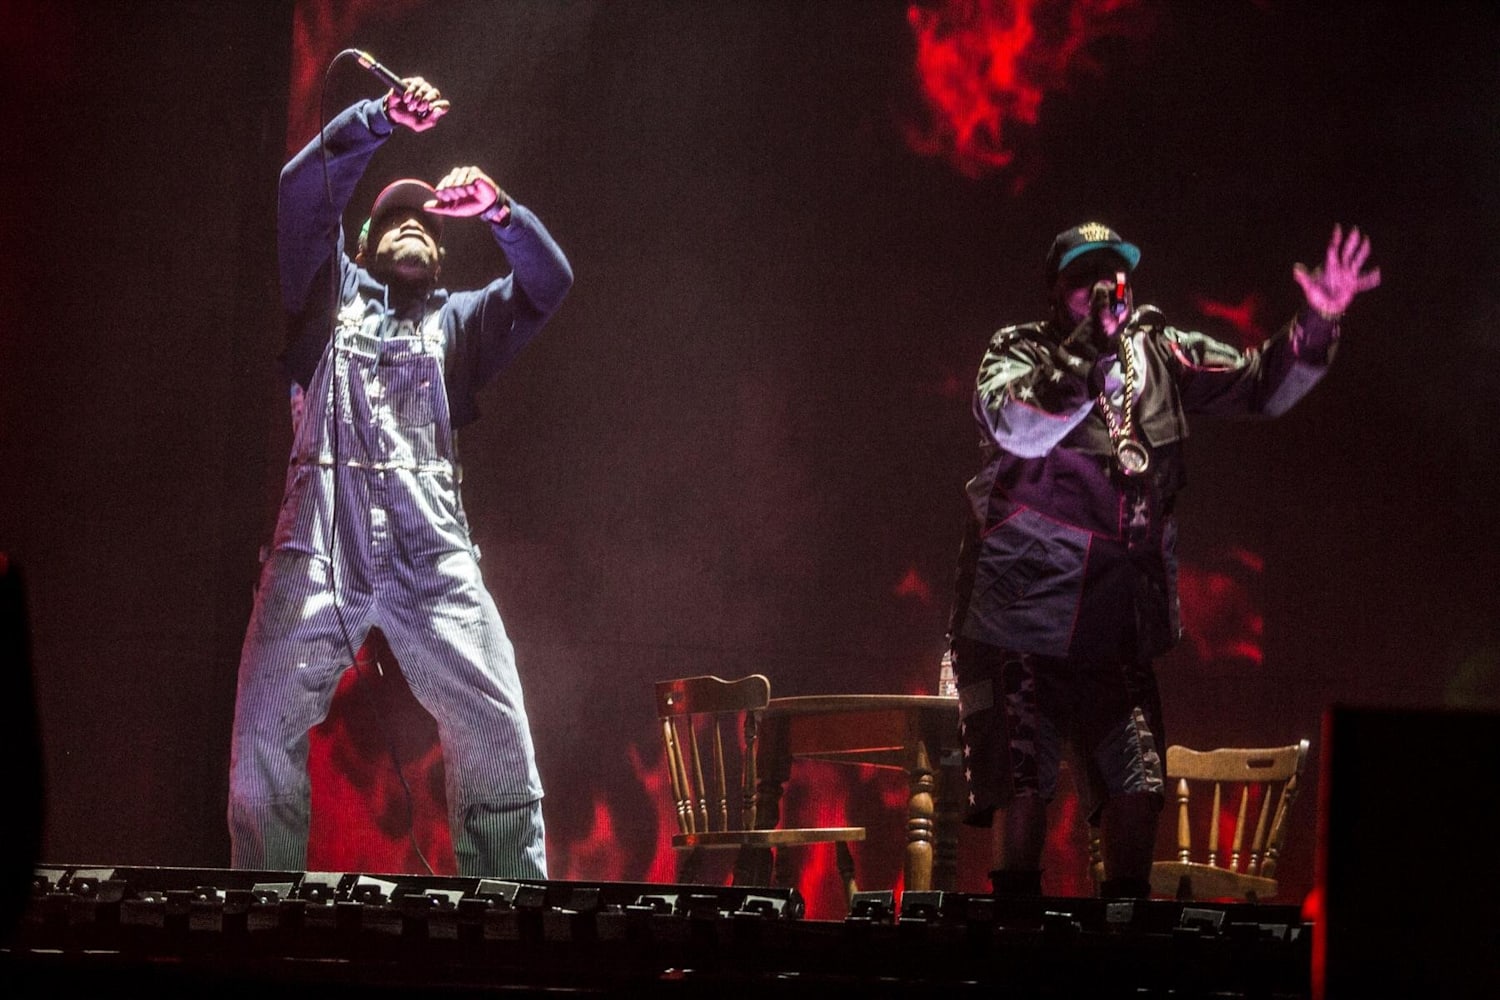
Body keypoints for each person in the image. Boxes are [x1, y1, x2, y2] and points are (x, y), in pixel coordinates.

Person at [946, 221, 1379, 899]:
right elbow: (1017, 428)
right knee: (1024, 785)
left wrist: (1320, 319)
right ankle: (1016, 932)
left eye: (1112, 273)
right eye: (1084, 277)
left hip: (1116, 615)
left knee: (1140, 784)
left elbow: (1260, 384)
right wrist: (1088, 357)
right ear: (1056, 290)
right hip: (1023, 613)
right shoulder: (1019, 351)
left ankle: (1124, 934)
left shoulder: (1160, 349)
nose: (1102, 287)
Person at [227, 74, 572, 878]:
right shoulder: (324, 295)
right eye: (393, 219)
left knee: (496, 727)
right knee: (261, 734)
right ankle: (263, 907)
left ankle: (509, 911)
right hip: (319, 549)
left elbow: (548, 284)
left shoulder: (459, 322)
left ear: (442, 254)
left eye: (426, 221)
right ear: (361, 247)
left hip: (434, 562)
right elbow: (299, 194)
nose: (413, 223)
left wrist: (500, 212)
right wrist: (378, 118)